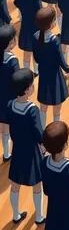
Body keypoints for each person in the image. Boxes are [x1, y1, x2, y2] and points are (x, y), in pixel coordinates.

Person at [6, 68, 45, 225]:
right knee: (37, 185)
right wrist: (44, 145)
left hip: (17, 149)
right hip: (32, 151)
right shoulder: (32, 109)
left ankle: (15, 215)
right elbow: (38, 132)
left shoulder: (10, 105)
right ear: (28, 89)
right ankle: (39, 216)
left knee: (15, 185)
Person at [33, 6, 69, 128]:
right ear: (50, 24)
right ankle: (55, 128)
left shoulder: (35, 36)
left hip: (43, 73)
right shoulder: (54, 40)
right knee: (57, 104)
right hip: (55, 75)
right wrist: (68, 69)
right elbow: (60, 59)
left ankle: (43, 128)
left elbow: (36, 58)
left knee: (43, 105)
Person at [17, 0, 42, 72]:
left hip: (25, 24)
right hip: (35, 25)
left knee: (26, 51)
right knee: (36, 49)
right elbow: (40, 11)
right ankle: (36, 71)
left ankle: (27, 71)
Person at [0, 24, 19, 161]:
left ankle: (6, 153)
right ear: (11, 41)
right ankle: (10, 152)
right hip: (10, 98)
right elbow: (17, 80)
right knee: (11, 127)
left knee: (2, 126)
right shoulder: (12, 60)